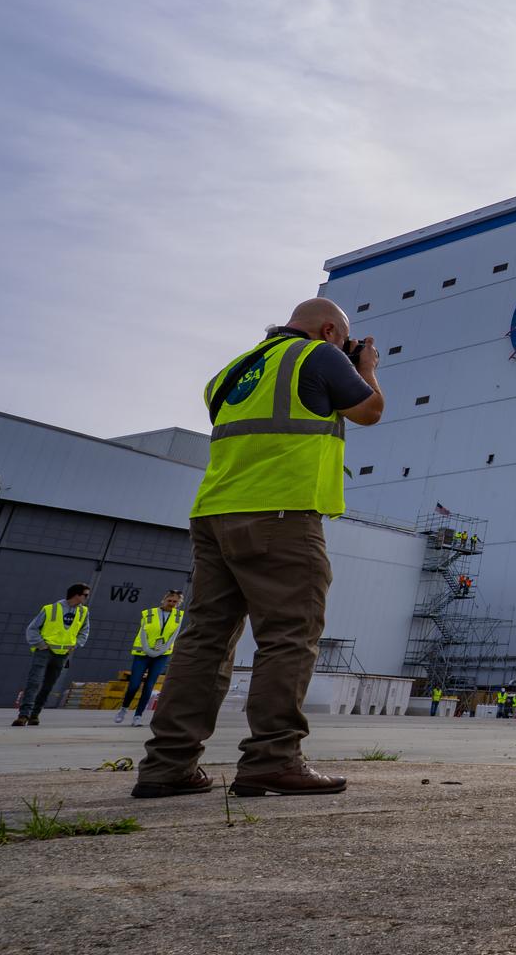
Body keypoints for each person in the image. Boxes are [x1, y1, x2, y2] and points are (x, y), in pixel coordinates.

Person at [133, 298, 384, 800]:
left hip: (213, 514)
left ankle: (167, 765)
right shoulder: (319, 354)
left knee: (204, 639)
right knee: (289, 633)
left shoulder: (230, 372)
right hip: (282, 512)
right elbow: (369, 412)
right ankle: (273, 759)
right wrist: (367, 369)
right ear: (331, 329)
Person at [14, 584, 92, 726]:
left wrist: (76, 644)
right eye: (85, 595)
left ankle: (35, 715)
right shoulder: (50, 609)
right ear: (76, 595)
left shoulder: (84, 612)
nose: (87, 598)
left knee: (48, 685)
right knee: (34, 683)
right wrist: (41, 644)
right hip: (44, 652)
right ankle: (23, 715)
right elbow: (32, 629)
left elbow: (84, 631)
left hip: (62, 655)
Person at [115, 589, 184, 726]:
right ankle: (123, 709)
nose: (171, 603)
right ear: (164, 600)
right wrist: (148, 649)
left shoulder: (178, 616)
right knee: (134, 685)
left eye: (175, 602)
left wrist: (162, 650)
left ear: (178, 603)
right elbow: (143, 632)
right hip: (143, 653)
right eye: (169, 600)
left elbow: (173, 635)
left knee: (148, 687)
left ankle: (138, 716)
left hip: (161, 655)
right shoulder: (149, 613)